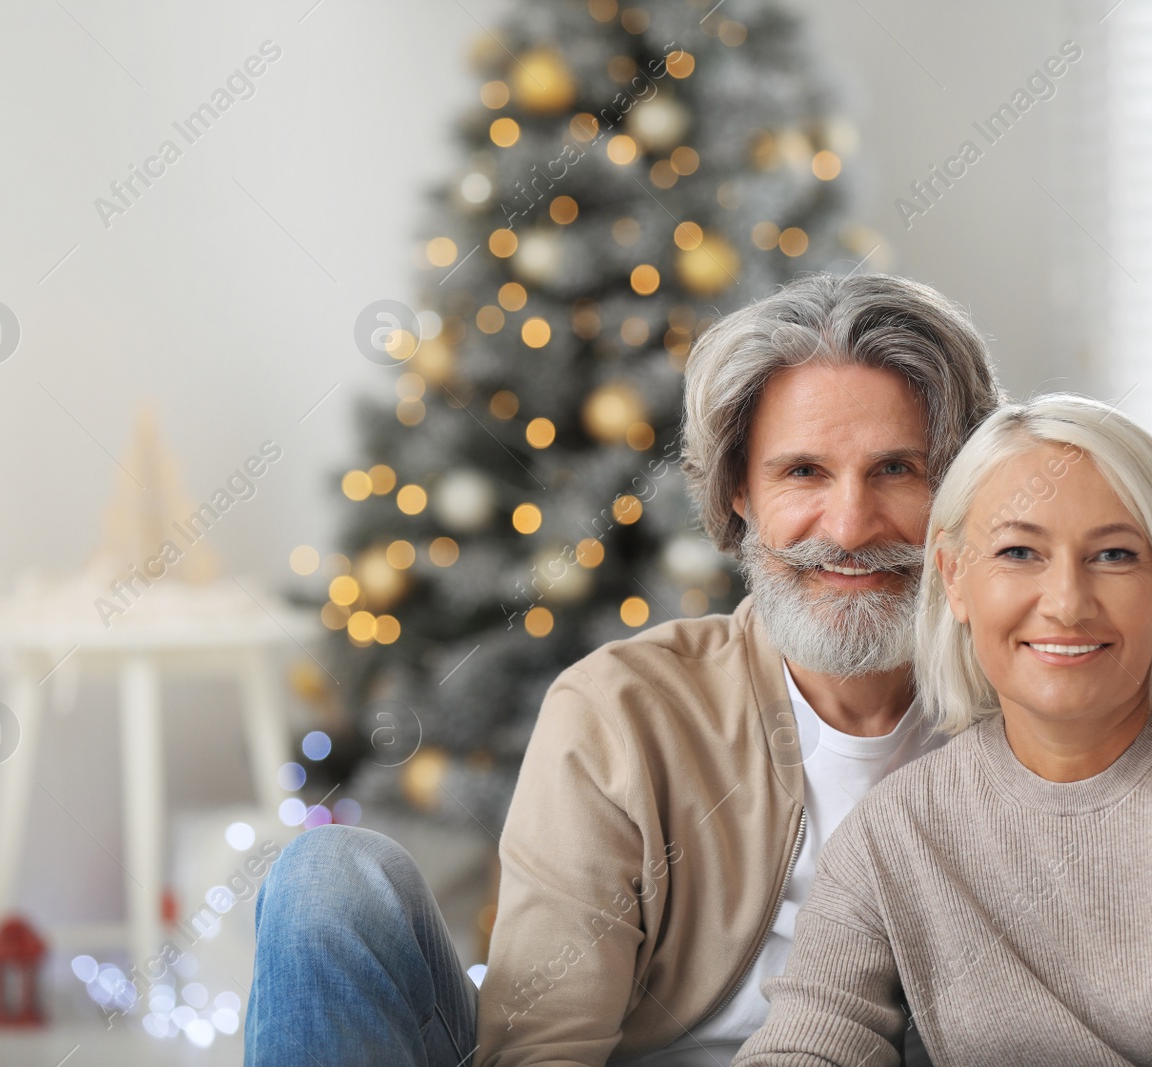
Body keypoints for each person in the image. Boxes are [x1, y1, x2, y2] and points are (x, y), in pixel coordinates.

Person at [243, 272, 1004, 1066]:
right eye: (802, 472)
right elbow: (545, 1047)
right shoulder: (621, 710)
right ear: (739, 491)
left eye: (897, 470)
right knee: (325, 879)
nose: (849, 526)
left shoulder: (1031, 713)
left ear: (961, 490)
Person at [733, 394, 1152, 1067]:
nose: (1068, 603)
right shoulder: (893, 832)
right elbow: (810, 1038)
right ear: (954, 577)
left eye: (1113, 555)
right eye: (1019, 550)